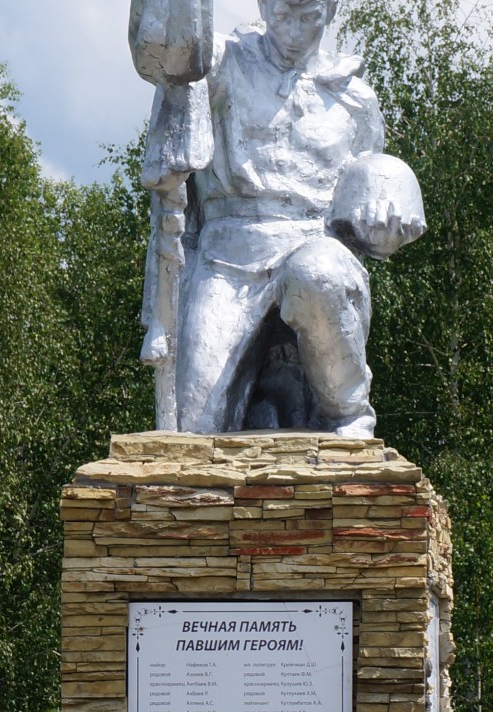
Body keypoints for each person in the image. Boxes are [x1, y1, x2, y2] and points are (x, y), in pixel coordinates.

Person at [129, 0, 425, 436]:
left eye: (309, 18)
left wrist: (393, 205)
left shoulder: (354, 99)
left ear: (330, 11)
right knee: (194, 429)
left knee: (319, 272)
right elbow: (167, 53)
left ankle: (347, 414)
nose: (293, 33)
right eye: (284, 16)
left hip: (314, 243)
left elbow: (370, 199)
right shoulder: (226, 62)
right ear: (264, 6)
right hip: (226, 256)